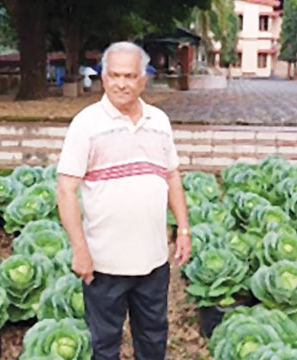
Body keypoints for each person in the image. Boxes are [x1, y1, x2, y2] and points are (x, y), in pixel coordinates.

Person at [55, 41, 191, 360]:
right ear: (103, 77)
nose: (121, 83)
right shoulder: (86, 124)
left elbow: (172, 176)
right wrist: (80, 251)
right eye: (114, 75)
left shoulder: (159, 121)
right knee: (105, 346)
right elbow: (65, 189)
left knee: (154, 339)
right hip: (104, 265)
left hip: (154, 263)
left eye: (130, 76)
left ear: (144, 79)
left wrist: (183, 229)